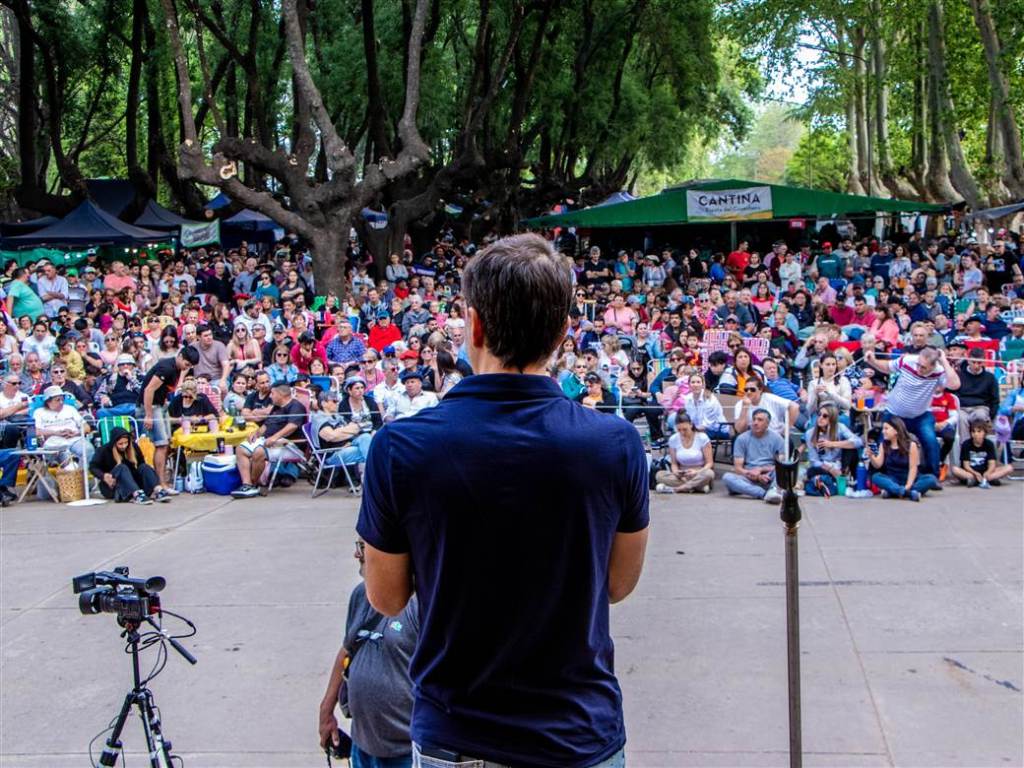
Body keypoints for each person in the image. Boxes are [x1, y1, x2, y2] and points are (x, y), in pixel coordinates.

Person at [357, 234, 647, 768]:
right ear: (562, 333)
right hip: (579, 735)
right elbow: (618, 584)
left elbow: (387, 598)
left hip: (457, 737)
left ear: (474, 325)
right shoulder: (616, 445)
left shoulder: (399, 448)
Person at [318, 538, 418, 768]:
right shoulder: (361, 595)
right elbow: (347, 649)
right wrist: (326, 710)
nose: (357, 555)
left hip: (408, 754)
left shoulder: (422, 605)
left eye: (363, 547)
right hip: (362, 748)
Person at [863, 345, 961, 476]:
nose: (919, 368)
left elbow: (955, 385)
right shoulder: (908, 360)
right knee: (883, 439)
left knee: (930, 440)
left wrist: (943, 360)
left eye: (924, 367)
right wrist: (872, 361)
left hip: (920, 415)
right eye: (919, 364)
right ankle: (879, 473)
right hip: (894, 413)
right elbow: (887, 367)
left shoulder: (939, 371)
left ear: (933, 366)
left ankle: (932, 475)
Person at [231, 382, 307, 498]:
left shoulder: (296, 406)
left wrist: (274, 437)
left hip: (289, 444)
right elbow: (267, 424)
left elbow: (292, 426)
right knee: (240, 449)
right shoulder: (276, 406)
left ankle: (253, 484)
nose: (270, 396)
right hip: (268, 440)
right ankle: (247, 484)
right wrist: (257, 433)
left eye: (272, 393)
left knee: (259, 452)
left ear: (281, 394)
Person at [138, 346, 201, 485]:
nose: (187, 367)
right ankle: (161, 484)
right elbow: (149, 390)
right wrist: (148, 415)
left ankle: (163, 482)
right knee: (161, 444)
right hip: (151, 406)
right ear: (180, 357)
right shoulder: (167, 368)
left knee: (166, 443)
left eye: (190, 366)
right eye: (186, 364)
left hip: (160, 405)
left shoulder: (177, 369)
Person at [90, 426, 175, 504]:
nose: (123, 446)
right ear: (114, 443)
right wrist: (103, 476)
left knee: (144, 467)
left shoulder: (133, 446)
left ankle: (157, 490)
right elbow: (93, 467)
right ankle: (137, 494)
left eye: (126, 443)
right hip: (113, 485)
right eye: (120, 444)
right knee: (122, 467)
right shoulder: (104, 450)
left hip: (132, 481)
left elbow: (141, 463)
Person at [865, 417, 941, 501]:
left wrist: (908, 485)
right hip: (893, 478)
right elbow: (878, 465)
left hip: (911, 478)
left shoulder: (911, 445)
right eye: (883, 429)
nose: (883, 432)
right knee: (876, 477)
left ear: (896, 431)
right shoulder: (883, 445)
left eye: (886, 429)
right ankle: (907, 493)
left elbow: (913, 468)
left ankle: (893, 492)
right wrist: (871, 456)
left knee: (931, 479)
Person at [722, 408, 785, 502]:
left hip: (769, 476)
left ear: (767, 424)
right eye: (754, 419)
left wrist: (761, 469)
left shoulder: (777, 439)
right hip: (748, 476)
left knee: (781, 472)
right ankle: (764, 494)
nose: (755, 423)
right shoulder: (742, 439)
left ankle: (770, 490)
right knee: (727, 477)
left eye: (760, 420)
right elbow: (738, 468)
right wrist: (755, 476)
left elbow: (780, 465)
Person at [803, 405, 862, 497]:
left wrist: (833, 443)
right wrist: (831, 469)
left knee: (851, 448)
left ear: (832, 419)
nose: (820, 418)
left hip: (840, 464)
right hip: (825, 467)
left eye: (825, 416)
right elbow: (814, 461)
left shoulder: (840, 428)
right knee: (812, 470)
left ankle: (847, 478)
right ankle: (835, 481)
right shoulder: (810, 433)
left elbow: (858, 442)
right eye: (819, 414)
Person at [655, 412, 714, 494]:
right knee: (659, 475)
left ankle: (677, 489)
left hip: (699, 472)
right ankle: (697, 487)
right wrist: (676, 472)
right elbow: (674, 463)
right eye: (679, 430)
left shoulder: (702, 438)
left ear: (691, 425)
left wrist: (696, 472)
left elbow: (709, 463)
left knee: (709, 473)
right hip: (682, 474)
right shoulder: (673, 439)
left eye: (685, 429)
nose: (682, 433)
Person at [34, 385, 94, 465]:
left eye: (62, 399)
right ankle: (70, 474)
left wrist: (76, 433)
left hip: (74, 439)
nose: (61, 402)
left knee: (88, 450)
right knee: (66, 458)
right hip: (54, 443)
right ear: (48, 401)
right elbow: (36, 431)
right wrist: (56, 433)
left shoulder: (70, 409)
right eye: (57, 400)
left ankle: (81, 475)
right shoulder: (39, 412)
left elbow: (87, 427)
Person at [954, 347, 999, 441]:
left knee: (981, 415)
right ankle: (965, 447)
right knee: (960, 418)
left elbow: (995, 399)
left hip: (981, 407)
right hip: (962, 408)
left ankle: (979, 444)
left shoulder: (990, 378)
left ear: (984, 362)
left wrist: (991, 416)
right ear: (968, 360)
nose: (976, 366)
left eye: (979, 363)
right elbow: (953, 394)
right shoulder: (959, 375)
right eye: (973, 362)